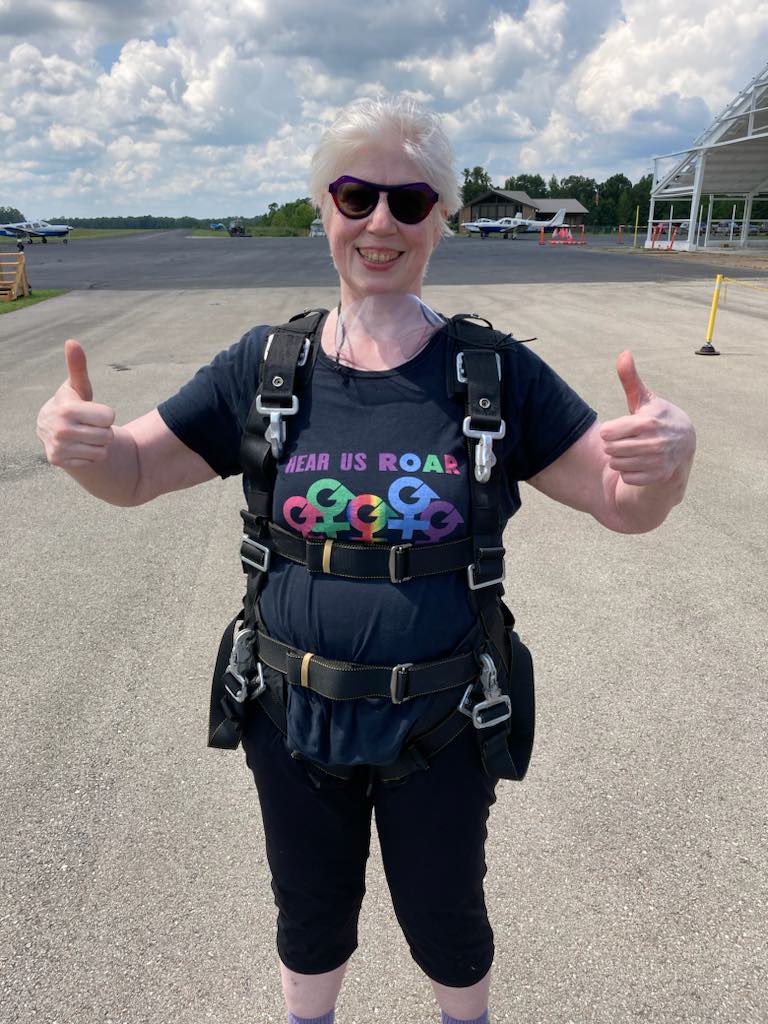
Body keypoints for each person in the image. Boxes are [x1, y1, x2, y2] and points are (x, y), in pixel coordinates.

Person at [36, 95, 696, 1024]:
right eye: (356, 196)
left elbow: (623, 505)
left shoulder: (491, 374)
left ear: (442, 219)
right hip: (291, 713)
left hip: (445, 722)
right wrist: (82, 447)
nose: (381, 222)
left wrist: (668, 463)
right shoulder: (268, 367)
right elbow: (135, 470)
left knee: (446, 919)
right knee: (308, 918)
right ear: (326, 209)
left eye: (409, 201)